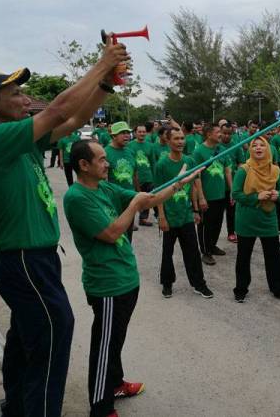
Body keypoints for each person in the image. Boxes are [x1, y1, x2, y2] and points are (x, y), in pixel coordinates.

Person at [0, 37, 128, 417]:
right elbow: (58, 109)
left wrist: (106, 83)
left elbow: (74, 119)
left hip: (34, 259)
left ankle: (16, 406)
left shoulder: (20, 141)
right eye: (16, 94)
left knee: (27, 338)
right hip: (24, 260)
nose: (26, 100)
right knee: (54, 335)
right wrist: (101, 63)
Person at [64, 139, 201, 417]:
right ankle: (101, 409)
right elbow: (111, 232)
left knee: (115, 340)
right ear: (83, 165)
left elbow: (147, 199)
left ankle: (115, 383)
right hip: (107, 285)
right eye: (102, 159)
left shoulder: (105, 187)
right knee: (104, 346)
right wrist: (134, 205)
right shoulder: (77, 197)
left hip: (126, 279)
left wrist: (177, 183)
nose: (108, 163)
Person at [232, 137, 280, 303]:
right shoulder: (244, 170)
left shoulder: (275, 170)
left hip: (268, 219)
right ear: (250, 150)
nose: (258, 148)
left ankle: (279, 288)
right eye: (254, 145)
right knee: (243, 256)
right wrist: (256, 197)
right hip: (246, 219)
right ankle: (241, 289)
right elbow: (236, 194)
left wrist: (277, 195)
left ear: (268, 149)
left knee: (273, 256)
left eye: (262, 145)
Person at [154, 127, 213, 298]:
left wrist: (195, 208)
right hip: (170, 216)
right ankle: (167, 283)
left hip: (186, 214)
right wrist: (162, 217)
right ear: (168, 141)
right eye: (176, 139)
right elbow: (158, 194)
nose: (180, 142)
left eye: (182, 138)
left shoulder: (189, 160)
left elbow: (193, 185)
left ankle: (199, 284)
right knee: (167, 252)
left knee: (193, 251)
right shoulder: (162, 165)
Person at [192, 123, 233, 265]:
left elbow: (227, 170)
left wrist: (232, 190)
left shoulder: (222, 149)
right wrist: (201, 197)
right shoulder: (199, 152)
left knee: (217, 223)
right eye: (218, 132)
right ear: (209, 134)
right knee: (205, 225)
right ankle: (205, 252)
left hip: (220, 194)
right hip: (207, 195)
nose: (221, 135)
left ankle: (212, 245)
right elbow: (196, 176)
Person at [105, 121, 138, 241]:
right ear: (113, 136)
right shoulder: (105, 153)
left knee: (128, 236)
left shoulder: (130, 151)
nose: (127, 136)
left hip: (130, 199)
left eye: (128, 133)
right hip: (114, 201)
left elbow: (134, 175)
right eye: (122, 133)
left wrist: (137, 194)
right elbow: (102, 181)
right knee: (116, 236)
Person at [218, 123, 245, 243]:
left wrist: (239, 178)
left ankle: (231, 232)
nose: (227, 135)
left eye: (229, 133)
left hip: (232, 184)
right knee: (217, 213)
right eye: (224, 133)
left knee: (231, 210)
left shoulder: (237, 146)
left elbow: (240, 163)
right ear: (220, 132)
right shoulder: (216, 146)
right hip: (218, 184)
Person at [128, 124, 156, 226]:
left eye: (144, 132)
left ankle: (143, 219)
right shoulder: (130, 145)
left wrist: (154, 176)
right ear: (135, 133)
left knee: (146, 198)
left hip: (148, 176)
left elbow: (153, 163)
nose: (142, 134)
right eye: (140, 132)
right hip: (135, 178)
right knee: (133, 199)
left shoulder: (150, 145)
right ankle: (130, 221)